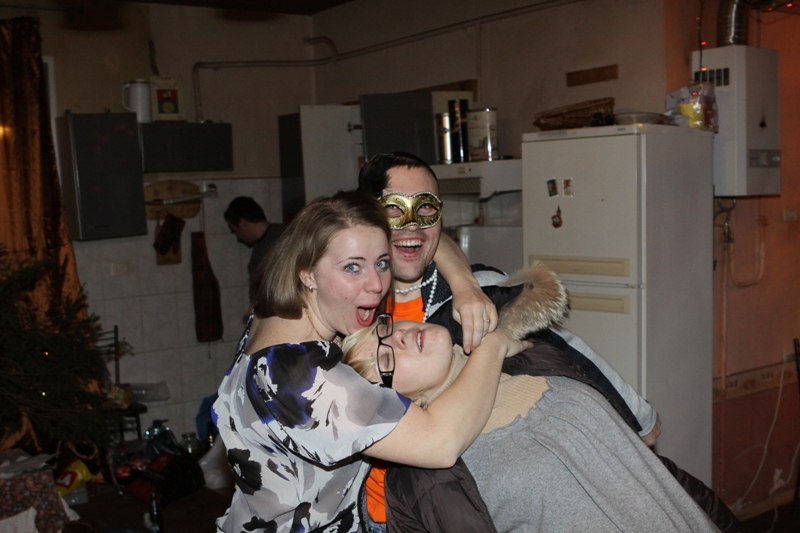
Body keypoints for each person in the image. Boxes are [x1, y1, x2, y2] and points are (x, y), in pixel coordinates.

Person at [211, 190, 532, 533]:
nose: (377, 285)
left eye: (381, 263)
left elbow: (432, 241)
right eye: (352, 267)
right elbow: (440, 443)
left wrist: (465, 285)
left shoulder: (275, 316)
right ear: (307, 274)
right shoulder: (299, 378)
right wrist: (492, 347)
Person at [341, 262, 730, 532]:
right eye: (386, 358)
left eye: (385, 329)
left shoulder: (528, 356)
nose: (399, 337)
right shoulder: (421, 482)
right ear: (394, 401)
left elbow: (639, 464)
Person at [223, 196, 285, 302]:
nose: (238, 238)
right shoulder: (285, 233)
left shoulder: (280, 240)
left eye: (235, 231)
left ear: (243, 223)